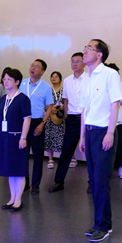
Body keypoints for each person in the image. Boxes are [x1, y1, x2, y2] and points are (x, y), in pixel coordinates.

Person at [79, 39, 122, 243]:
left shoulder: (110, 74)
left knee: (101, 180)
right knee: (93, 180)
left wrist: (110, 133)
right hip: (90, 132)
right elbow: (84, 109)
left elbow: (115, 104)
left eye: (89, 48)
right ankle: (100, 223)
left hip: (104, 131)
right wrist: (82, 136)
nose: (85, 51)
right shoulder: (85, 77)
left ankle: (103, 226)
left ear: (99, 55)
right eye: (85, 47)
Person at [49, 52, 87, 193]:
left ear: (84, 63)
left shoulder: (90, 78)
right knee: (66, 151)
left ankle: (92, 183)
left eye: (77, 61)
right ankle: (59, 181)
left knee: (90, 152)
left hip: (86, 118)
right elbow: (66, 102)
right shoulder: (67, 80)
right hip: (71, 119)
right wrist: (65, 120)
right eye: (72, 61)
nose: (74, 64)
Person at [0, 69, 31, 212]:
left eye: (9, 79)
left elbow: (27, 119)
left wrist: (23, 137)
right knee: (10, 170)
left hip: (17, 137)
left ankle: (18, 200)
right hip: (5, 137)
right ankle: (12, 198)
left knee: (18, 169)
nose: (5, 82)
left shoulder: (23, 99)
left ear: (17, 82)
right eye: (4, 79)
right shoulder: (3, 99)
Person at [19, 59, 54, 195]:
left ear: (42, 71)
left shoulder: (46, 87)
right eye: (32, 65)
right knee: (23, 155)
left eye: (37, 67)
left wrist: (42, 123)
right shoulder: (22, 83)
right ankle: (25, 183)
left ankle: (35, 185)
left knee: (38, 156)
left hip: (37, 123)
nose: (33, 68)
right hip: (22, 123)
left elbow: (49, 107)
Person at [106, 63, 122, 180]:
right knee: (106, 147)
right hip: (106, 120)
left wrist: (117, 99)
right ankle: (107, 169)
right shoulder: (104, 85)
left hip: (120, 120)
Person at [45, 71, 65, 169]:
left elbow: (68, 102)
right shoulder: (48, 90)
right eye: (52, 76)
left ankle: (68, 158)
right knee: (49, 137)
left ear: (60, 79)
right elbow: (44, 102)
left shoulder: (64, 90)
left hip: (61, 117)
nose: (53, 78)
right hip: (50, 116)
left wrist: (62, 107)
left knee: (63, 138)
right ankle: (50, 159)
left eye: (56, 76)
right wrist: (49, 108)